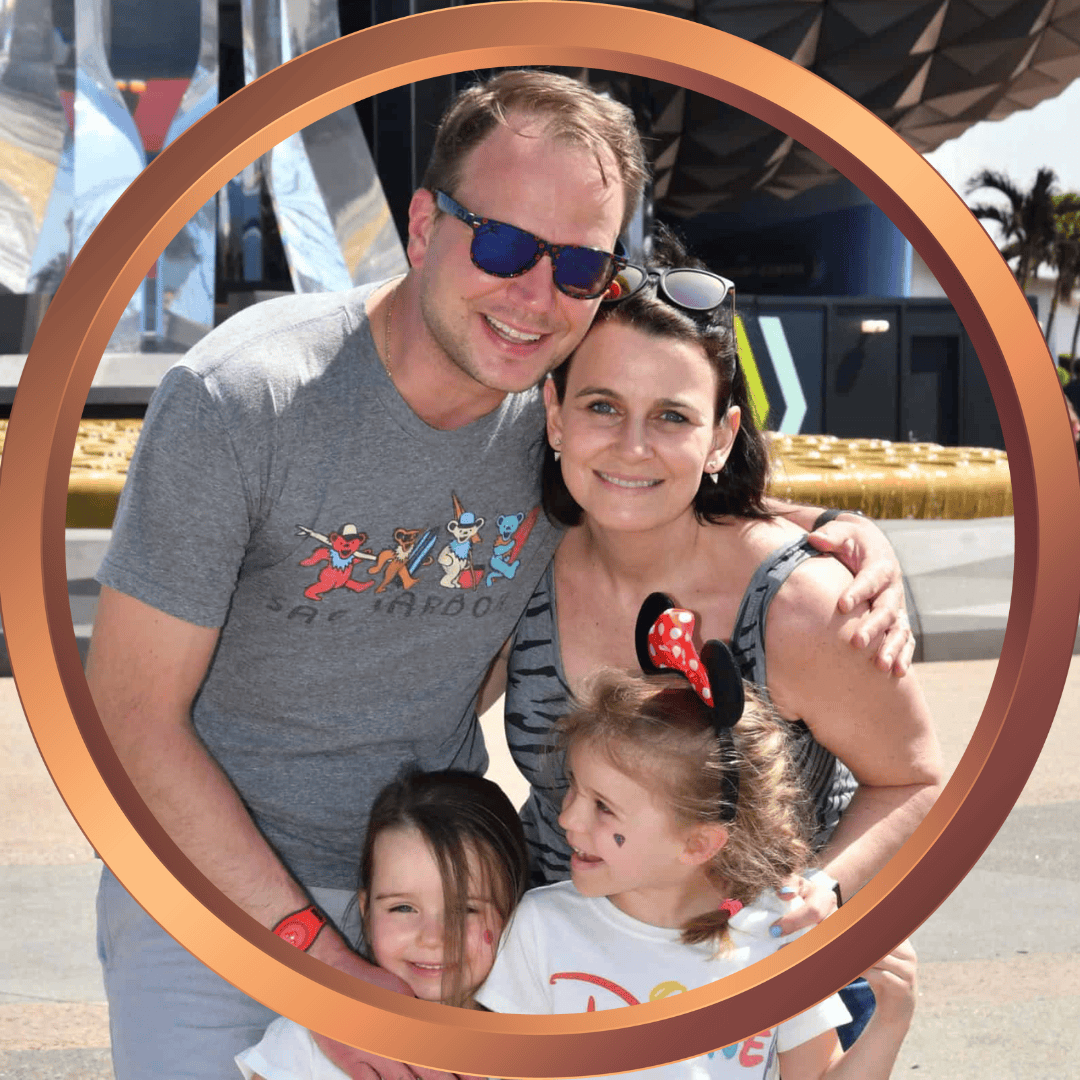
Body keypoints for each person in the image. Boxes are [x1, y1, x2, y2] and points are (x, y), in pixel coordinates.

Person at [86, 69, 914, 1080]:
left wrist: (833, 530)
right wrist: (316, 966)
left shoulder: (552, 417)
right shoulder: (242, 403)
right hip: (209, 898)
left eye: (579, 269)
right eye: (508, 246)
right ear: (425, 222)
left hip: (454, 904)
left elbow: (657, 486)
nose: (535, 298)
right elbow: (130, 717)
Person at [494, 229, 942, 1045]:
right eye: (602, 406)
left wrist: (821, 896)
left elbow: (915, 781)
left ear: (721, 437)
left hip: (770, 1004)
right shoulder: (520, 569)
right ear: (554, 414)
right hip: (566, 986)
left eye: (672, 416)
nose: (632, 446)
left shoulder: (803, 607)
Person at [477, 636, 919, 1079]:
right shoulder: (541, 928)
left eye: (603, 806)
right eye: (573, 786)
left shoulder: (779, 934)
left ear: (698, 844)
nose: (568, 817)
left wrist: (891, 1018)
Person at [236, 770, 529, 1079]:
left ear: (514, 912)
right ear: (366, 910)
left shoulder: (540, 1046)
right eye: (402, 907)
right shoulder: (306, 1042)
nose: (433, 938)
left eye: (465, 909)